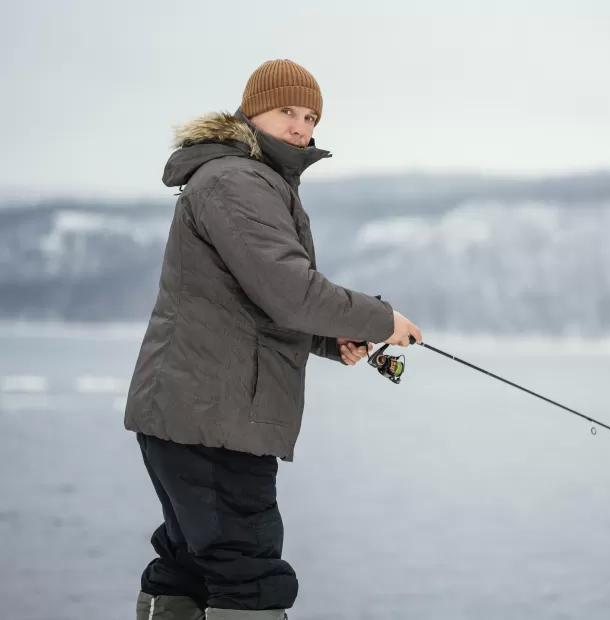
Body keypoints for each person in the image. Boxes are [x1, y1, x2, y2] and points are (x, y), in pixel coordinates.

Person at [123, 58, 422, 620]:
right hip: (216, 422)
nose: (301, 127)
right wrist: (381, 320)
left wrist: (333, 342)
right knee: (248, 574)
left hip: (196, 415)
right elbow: (289, 289)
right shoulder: (237, 181)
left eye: (310, 116)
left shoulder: (246, 178)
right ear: (252, 108)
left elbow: (258, 302)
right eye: (287, 110)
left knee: (191, 562)